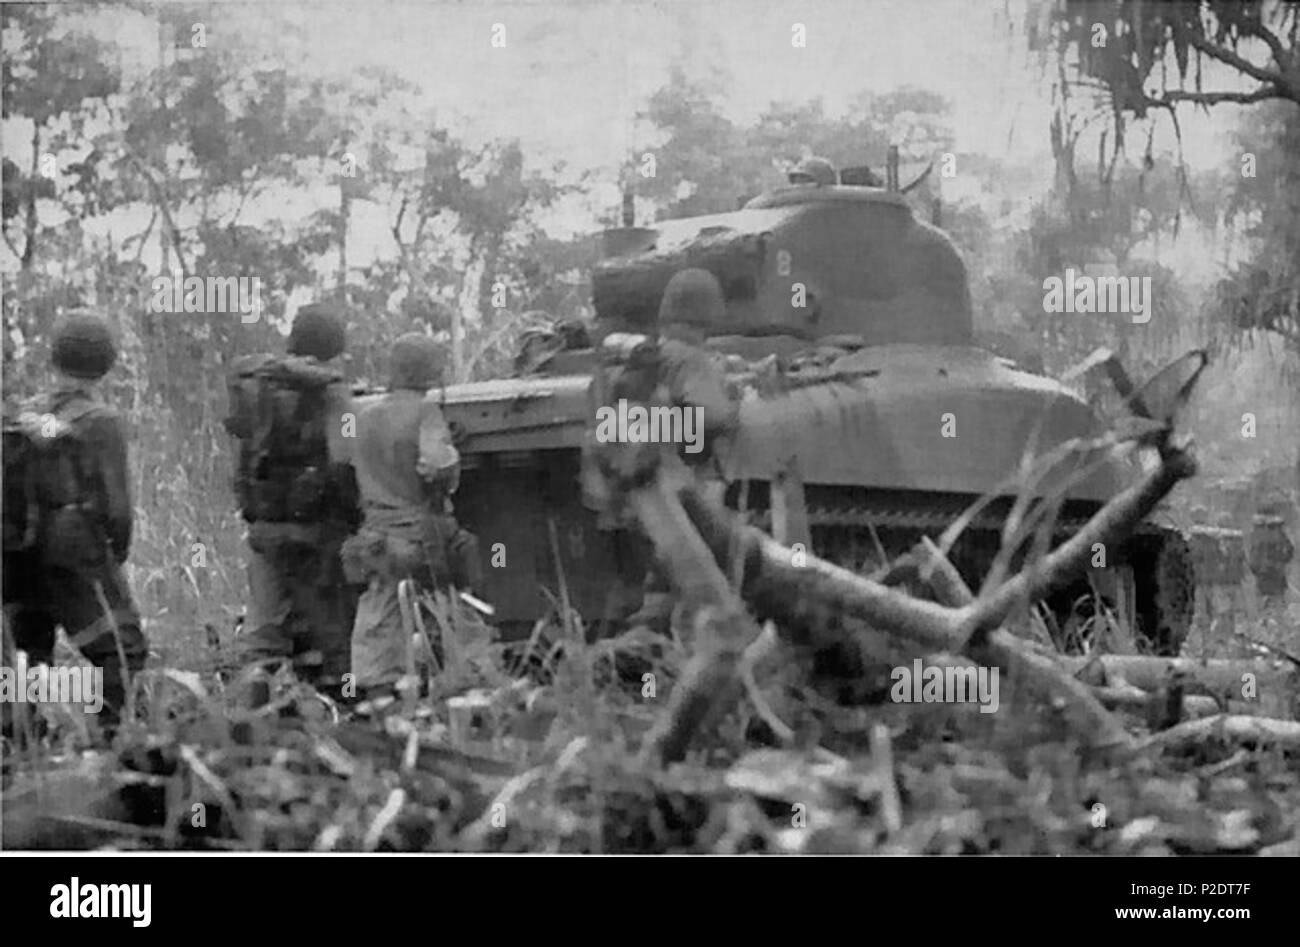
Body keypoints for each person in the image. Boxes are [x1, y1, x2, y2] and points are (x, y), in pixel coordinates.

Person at [2, 312, 146, 733]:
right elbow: (116, 509)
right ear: (107, 361)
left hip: (16, 550)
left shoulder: (24, 416)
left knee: (28, 650)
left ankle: (15, 741)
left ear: (54, 357)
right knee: (123, 648)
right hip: (74, 549)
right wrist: (113, 556)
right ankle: (111, 743)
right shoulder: (102, 422)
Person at [224, 302, 361, 704]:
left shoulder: (252, 383)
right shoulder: (332, 393)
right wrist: (356, 519)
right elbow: (343, 462)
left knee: (263, 636)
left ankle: (245, 723)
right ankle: (342, 719)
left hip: (263, 525)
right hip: (316, 533)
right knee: (332, 637)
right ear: (335, 346)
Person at [338, 333, 480, 695]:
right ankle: (461, 690)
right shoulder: (425, 412)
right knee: (450, 610)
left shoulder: (363, 416)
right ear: (430, 372)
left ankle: (376, 696)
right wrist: (451, 459)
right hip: (422, 535)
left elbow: (344, 461)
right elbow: (436, 464)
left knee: (378, 618)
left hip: (376, 537)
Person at [618, 268, 740, 634]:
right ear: (710, 311)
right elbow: (714, 416)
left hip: (648, 484)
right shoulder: (691, 359)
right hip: (689, 482)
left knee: (663, 577)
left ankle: (643, 644)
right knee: (705, 572)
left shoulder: (652, 355)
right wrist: (737, 403)